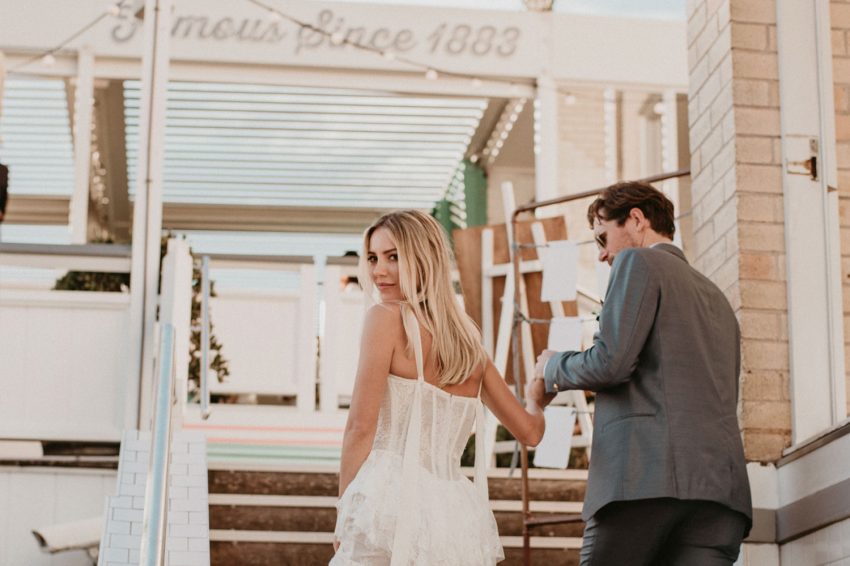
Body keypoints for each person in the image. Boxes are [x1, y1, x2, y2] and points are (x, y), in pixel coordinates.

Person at [528, 181, 752, 565]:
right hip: (721, 495)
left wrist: (551, 365)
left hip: (643, 480)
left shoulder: (639, 263)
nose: (602, 256)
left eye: (603, 239)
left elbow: (609, 363)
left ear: (635, 219)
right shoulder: (718, 298)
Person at [332, 209, 546, 565]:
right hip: (453, 513)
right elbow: (530, 432)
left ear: (424, 259)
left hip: (388, 502)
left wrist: (345, 510)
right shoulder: (469, 345)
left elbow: (360, 427)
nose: (378, 271)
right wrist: (538, 399)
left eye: (393, 257)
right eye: (372, 258)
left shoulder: (384, 318)